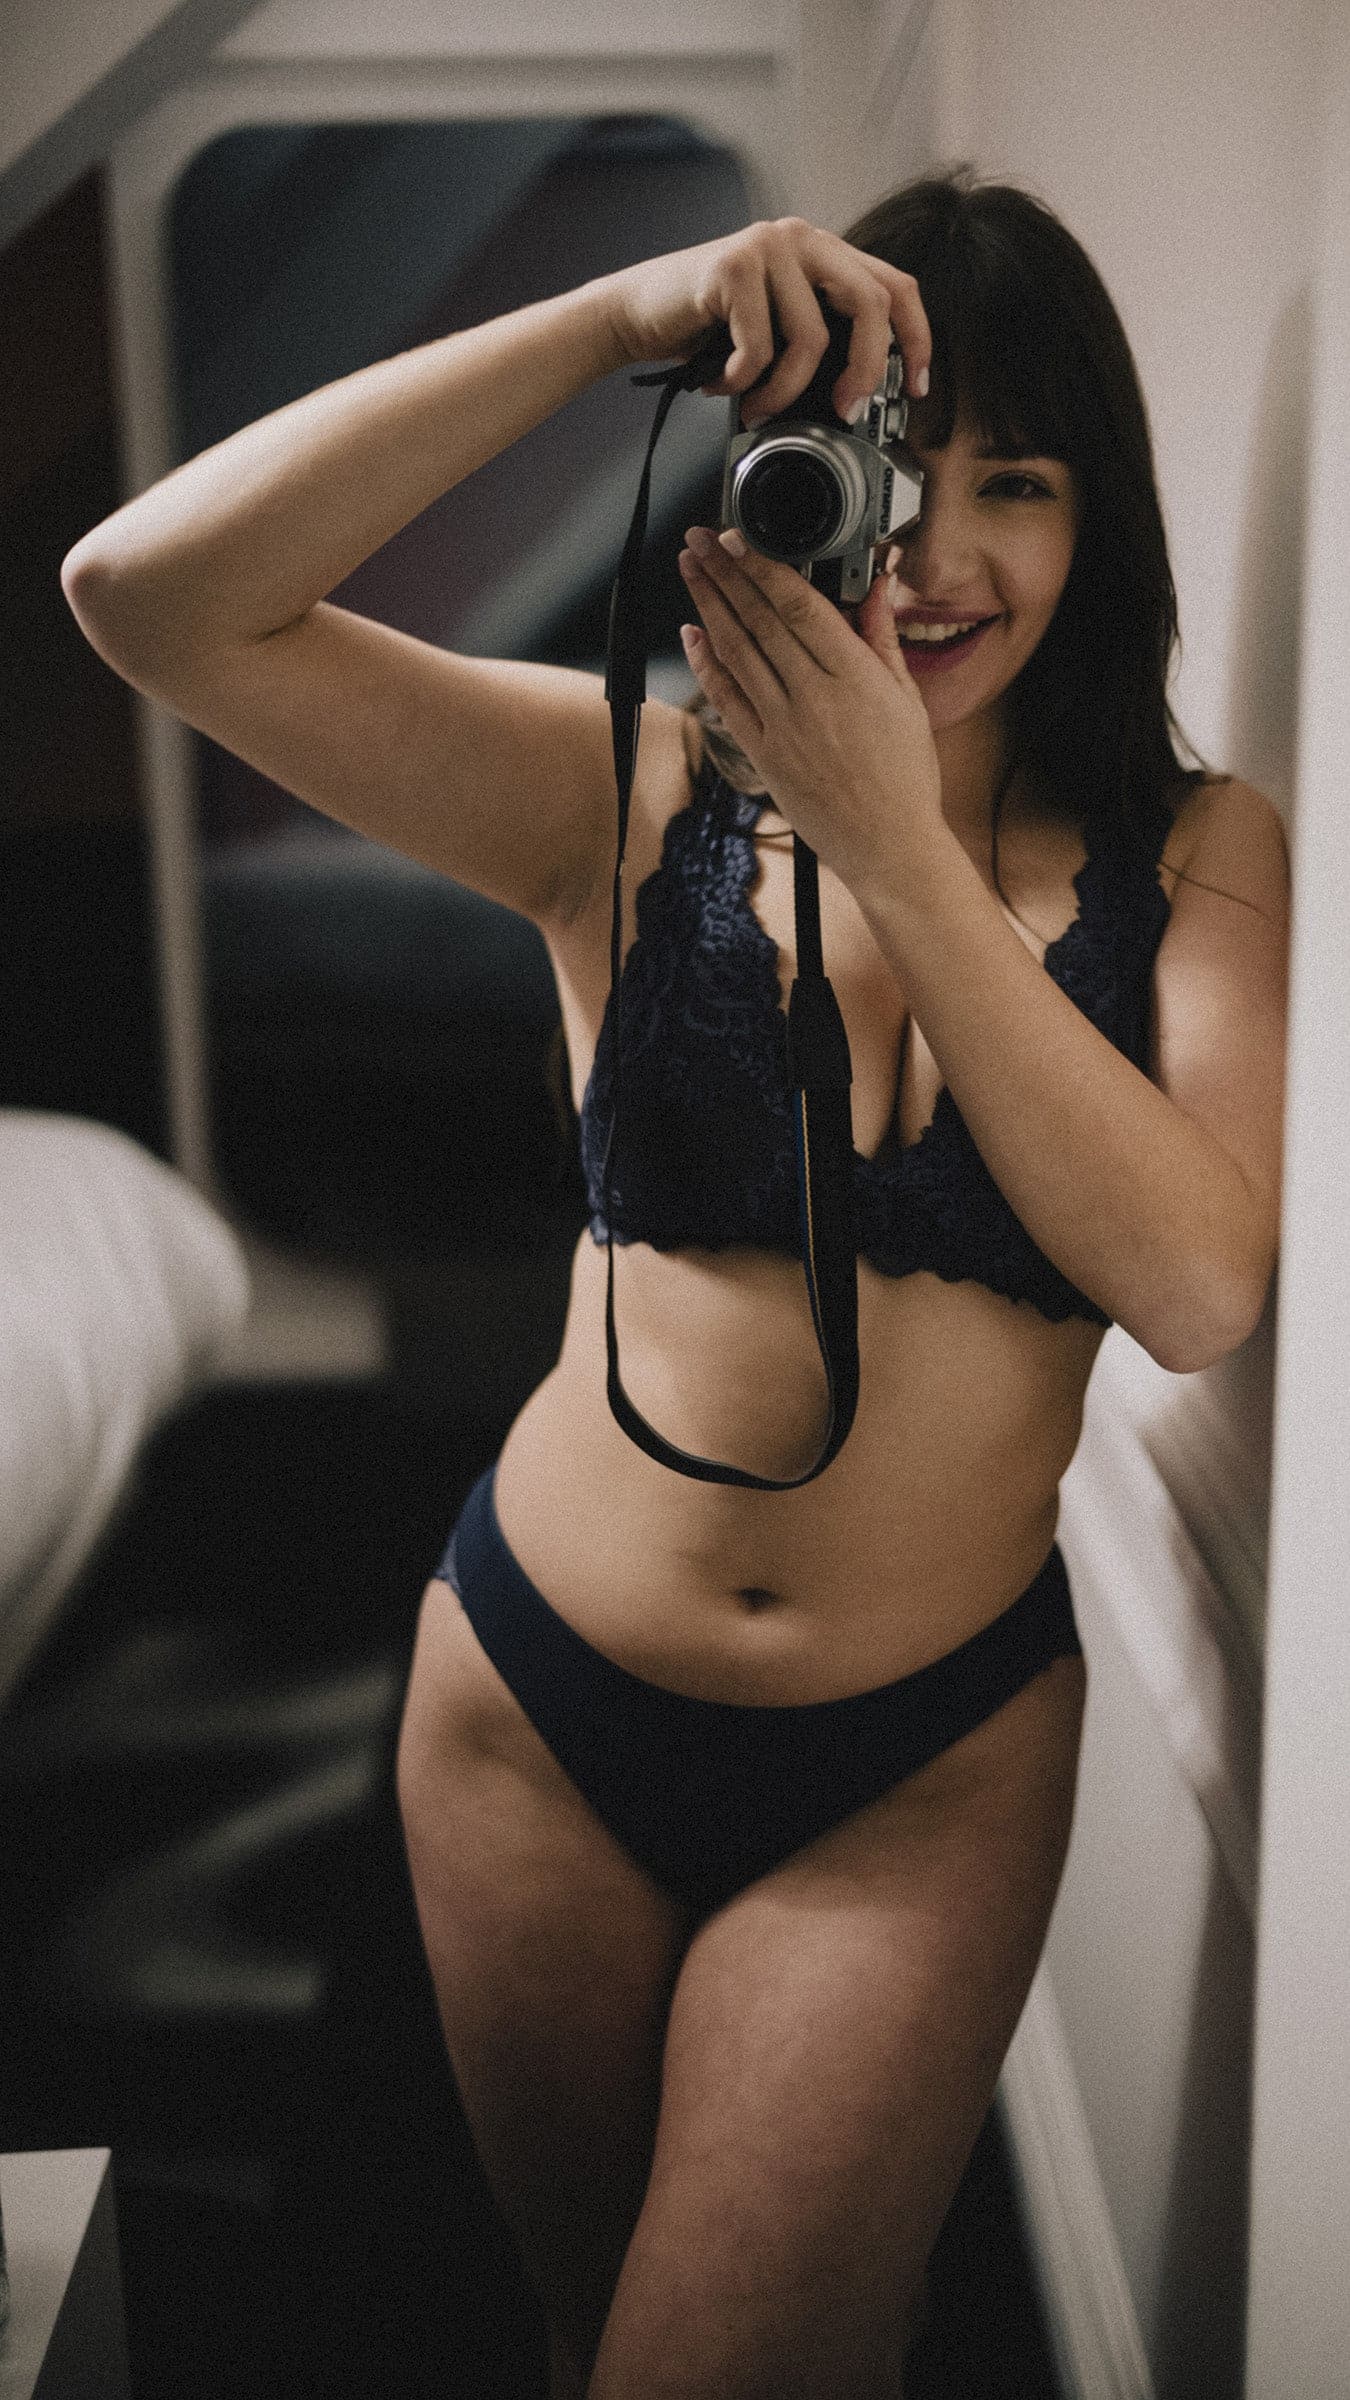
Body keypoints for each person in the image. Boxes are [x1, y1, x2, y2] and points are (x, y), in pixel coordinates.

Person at [62, 167, 1288, 2400]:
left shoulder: (1197, 853)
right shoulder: (622, 798)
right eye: (896, 468)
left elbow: (1197, 1283)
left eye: (1018, 484)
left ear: (1099, 522)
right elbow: (149, 599)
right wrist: (609, 318)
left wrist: (890, 837)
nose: (935, 558)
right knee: (588, 2325)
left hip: (920, 1770)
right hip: (533, 1708)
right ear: (778, 473)